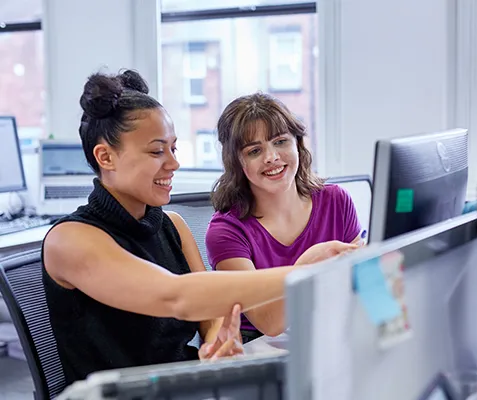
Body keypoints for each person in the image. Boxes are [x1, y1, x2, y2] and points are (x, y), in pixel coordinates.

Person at [41, 70, 356, 386]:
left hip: (181, 387)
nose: (173, 163)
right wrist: (305, 269)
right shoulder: (69, 240)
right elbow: (176, 296)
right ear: (105, 157)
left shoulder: (173, 227)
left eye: (173, 149)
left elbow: (212, 318)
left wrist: (217, 345)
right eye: (156, 150)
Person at [206, 93, 364, 344]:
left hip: (326, 330)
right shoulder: (226, 231)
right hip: (260, 345)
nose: (271, 157)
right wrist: (307, 264)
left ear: (297, 144)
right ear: (237, 162)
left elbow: (363, 282)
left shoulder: (336, 201)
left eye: (280, 141)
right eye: (254, 150)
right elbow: (270, 323)